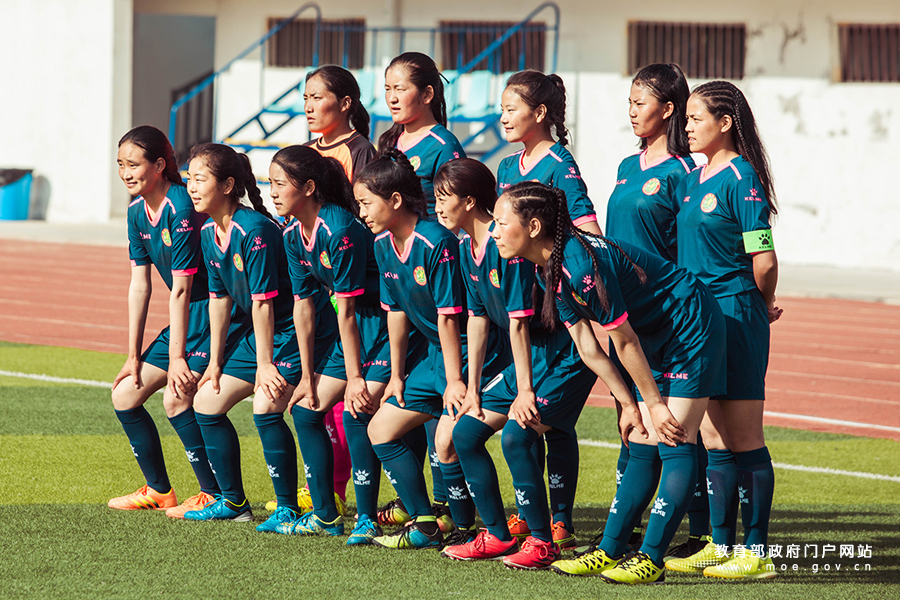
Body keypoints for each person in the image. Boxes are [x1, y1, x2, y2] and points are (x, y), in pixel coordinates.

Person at [492, 181, 726, 584]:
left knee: (673, 436)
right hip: (653, 333)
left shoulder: (580, 266)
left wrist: (654, 404)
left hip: (689, 324)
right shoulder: (547, 268)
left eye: (500, 222)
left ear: (533, 227)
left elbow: (623, 340)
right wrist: (629, 404)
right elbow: (587, 346)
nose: (493, 231)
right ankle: (609, 550)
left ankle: (651, 559)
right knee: (641, 439)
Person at [432, 159, 597, 569]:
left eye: (442, 198)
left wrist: (524, 391)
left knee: (518, 435)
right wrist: (472, 390)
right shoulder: (464, 247)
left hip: (558, 355)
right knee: (465, 433)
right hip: (528, 358)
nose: (436, 207)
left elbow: (521, 324)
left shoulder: (507, 246)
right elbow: (478, 318)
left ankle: (543, 539)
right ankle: (497, 535)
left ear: (469, 201)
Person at [354, 149, 510, 550]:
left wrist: (456, 380)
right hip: (433, 356)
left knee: (447, 441)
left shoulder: (436, 240)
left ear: (395, 200)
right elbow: (395, 313)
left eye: (366, 203)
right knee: (380, 429)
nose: (362, 213)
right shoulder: (382, 244)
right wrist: (396, 376)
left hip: (468, 354)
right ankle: (425, 523)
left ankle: (468, 529)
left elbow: (450, 317)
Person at [180, 143, 337, 530]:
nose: (191, 187)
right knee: (206, 402)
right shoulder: (208, 231)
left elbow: (264, 303)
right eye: (189, 179)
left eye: (200, 179)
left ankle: (288, 507)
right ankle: (234, 502)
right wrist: (215, 362)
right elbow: (219, 301)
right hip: (263, 333)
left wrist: (265, 365)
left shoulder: (255, 231)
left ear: (227, 185)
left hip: (295, 332)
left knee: (266, 407)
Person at [666, 81, 782, 580]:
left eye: (696, 118)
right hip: (697, 318)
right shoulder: (693, 178)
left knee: (743, 435)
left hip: (734, 313)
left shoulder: (742, 177)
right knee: (712, 436)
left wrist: (764, 302)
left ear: (725, 122)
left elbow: (764, 258)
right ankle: (720, 544)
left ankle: (756, 553)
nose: (687, 127)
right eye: (687, 118)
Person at [604, 63, 710, 560]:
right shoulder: (628, 166)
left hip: (668, 314)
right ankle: (625, 528)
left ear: (668, 109)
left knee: (676, 427)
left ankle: (701, 533)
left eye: (640, 102)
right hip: (625, 315)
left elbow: (691, 244)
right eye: (629, 102)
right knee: (634, 422)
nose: (631, 112)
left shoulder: (685, 172)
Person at [271, 144, 393, 544]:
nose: (272, 192)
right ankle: (325, 515)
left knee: (357, 410)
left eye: (279, 184)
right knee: (305, 409)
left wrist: (354, 378)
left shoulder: (339, 230)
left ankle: (367, 518)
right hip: (354, 329)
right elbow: (304, 307)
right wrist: (307, 376)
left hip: (383, 327)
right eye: (270, 183)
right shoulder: (293, 234)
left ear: (308, 188)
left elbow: (348, 308)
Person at [108, 125, 222, 518]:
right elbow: (140, 285)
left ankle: (214, 493)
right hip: (186, 316)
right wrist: (132, 356)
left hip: (211, 312)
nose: (125, 173)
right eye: (120, 164)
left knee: (177, 395)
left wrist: (177, 359)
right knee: (125, 394)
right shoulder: (136, 212)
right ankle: (159, 491)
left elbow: (182, 289)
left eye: (133, 164)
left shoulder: (182, 206)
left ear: (159, 165)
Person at [301, 64, 377, 510]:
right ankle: (321, 483)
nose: (309, 107)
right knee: (318, 388)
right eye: (305, 98)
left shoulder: (359, 150)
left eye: (318, 97)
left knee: (346, 391)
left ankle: (337, 486)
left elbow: (361, 218)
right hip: (318, 280)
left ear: (345, 103)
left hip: (348, 283)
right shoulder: (308, 151)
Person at [496, 71, 601, 236]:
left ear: (539, 113)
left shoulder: (560, 165)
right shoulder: (507, 165)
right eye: (502, 110)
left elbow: (589, 232)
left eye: (511, 110)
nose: (503, 118)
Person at [377, 52, 465, 216]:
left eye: (400, 89)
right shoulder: (388, 141)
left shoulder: (443, 146)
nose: (392, 98)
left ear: (427, 94)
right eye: (387, 89)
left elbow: (455, 213)